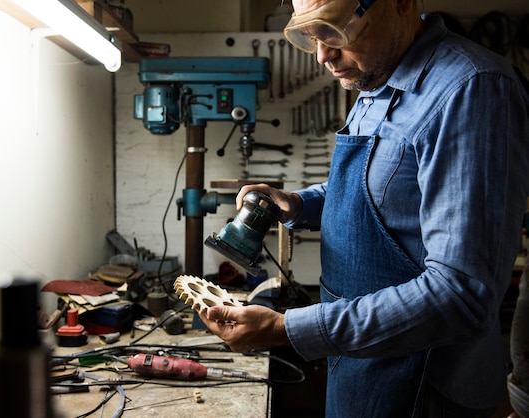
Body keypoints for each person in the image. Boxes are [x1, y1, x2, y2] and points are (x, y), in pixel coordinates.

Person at [198, 0, 529, 416]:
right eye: (309, 35)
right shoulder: (375, 75)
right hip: (358, 361)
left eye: (334, 29)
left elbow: (460, 293)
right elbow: (388, 188)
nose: (322, 54)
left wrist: (288, 328)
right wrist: (301, 203)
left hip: (422, 384)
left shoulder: (471, 89)